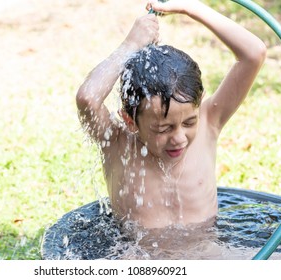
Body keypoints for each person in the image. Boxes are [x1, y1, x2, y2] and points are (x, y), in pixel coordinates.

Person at [76, 0, 266, 229]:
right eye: (163, 128)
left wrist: (191, 8)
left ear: (199, 102)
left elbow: (254, 54)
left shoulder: (209, 122)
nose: (179, 137)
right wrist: (130, 45)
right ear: (130, 120)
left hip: (210, 255)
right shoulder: (118, 144)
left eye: (189, 122)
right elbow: (88, 98)